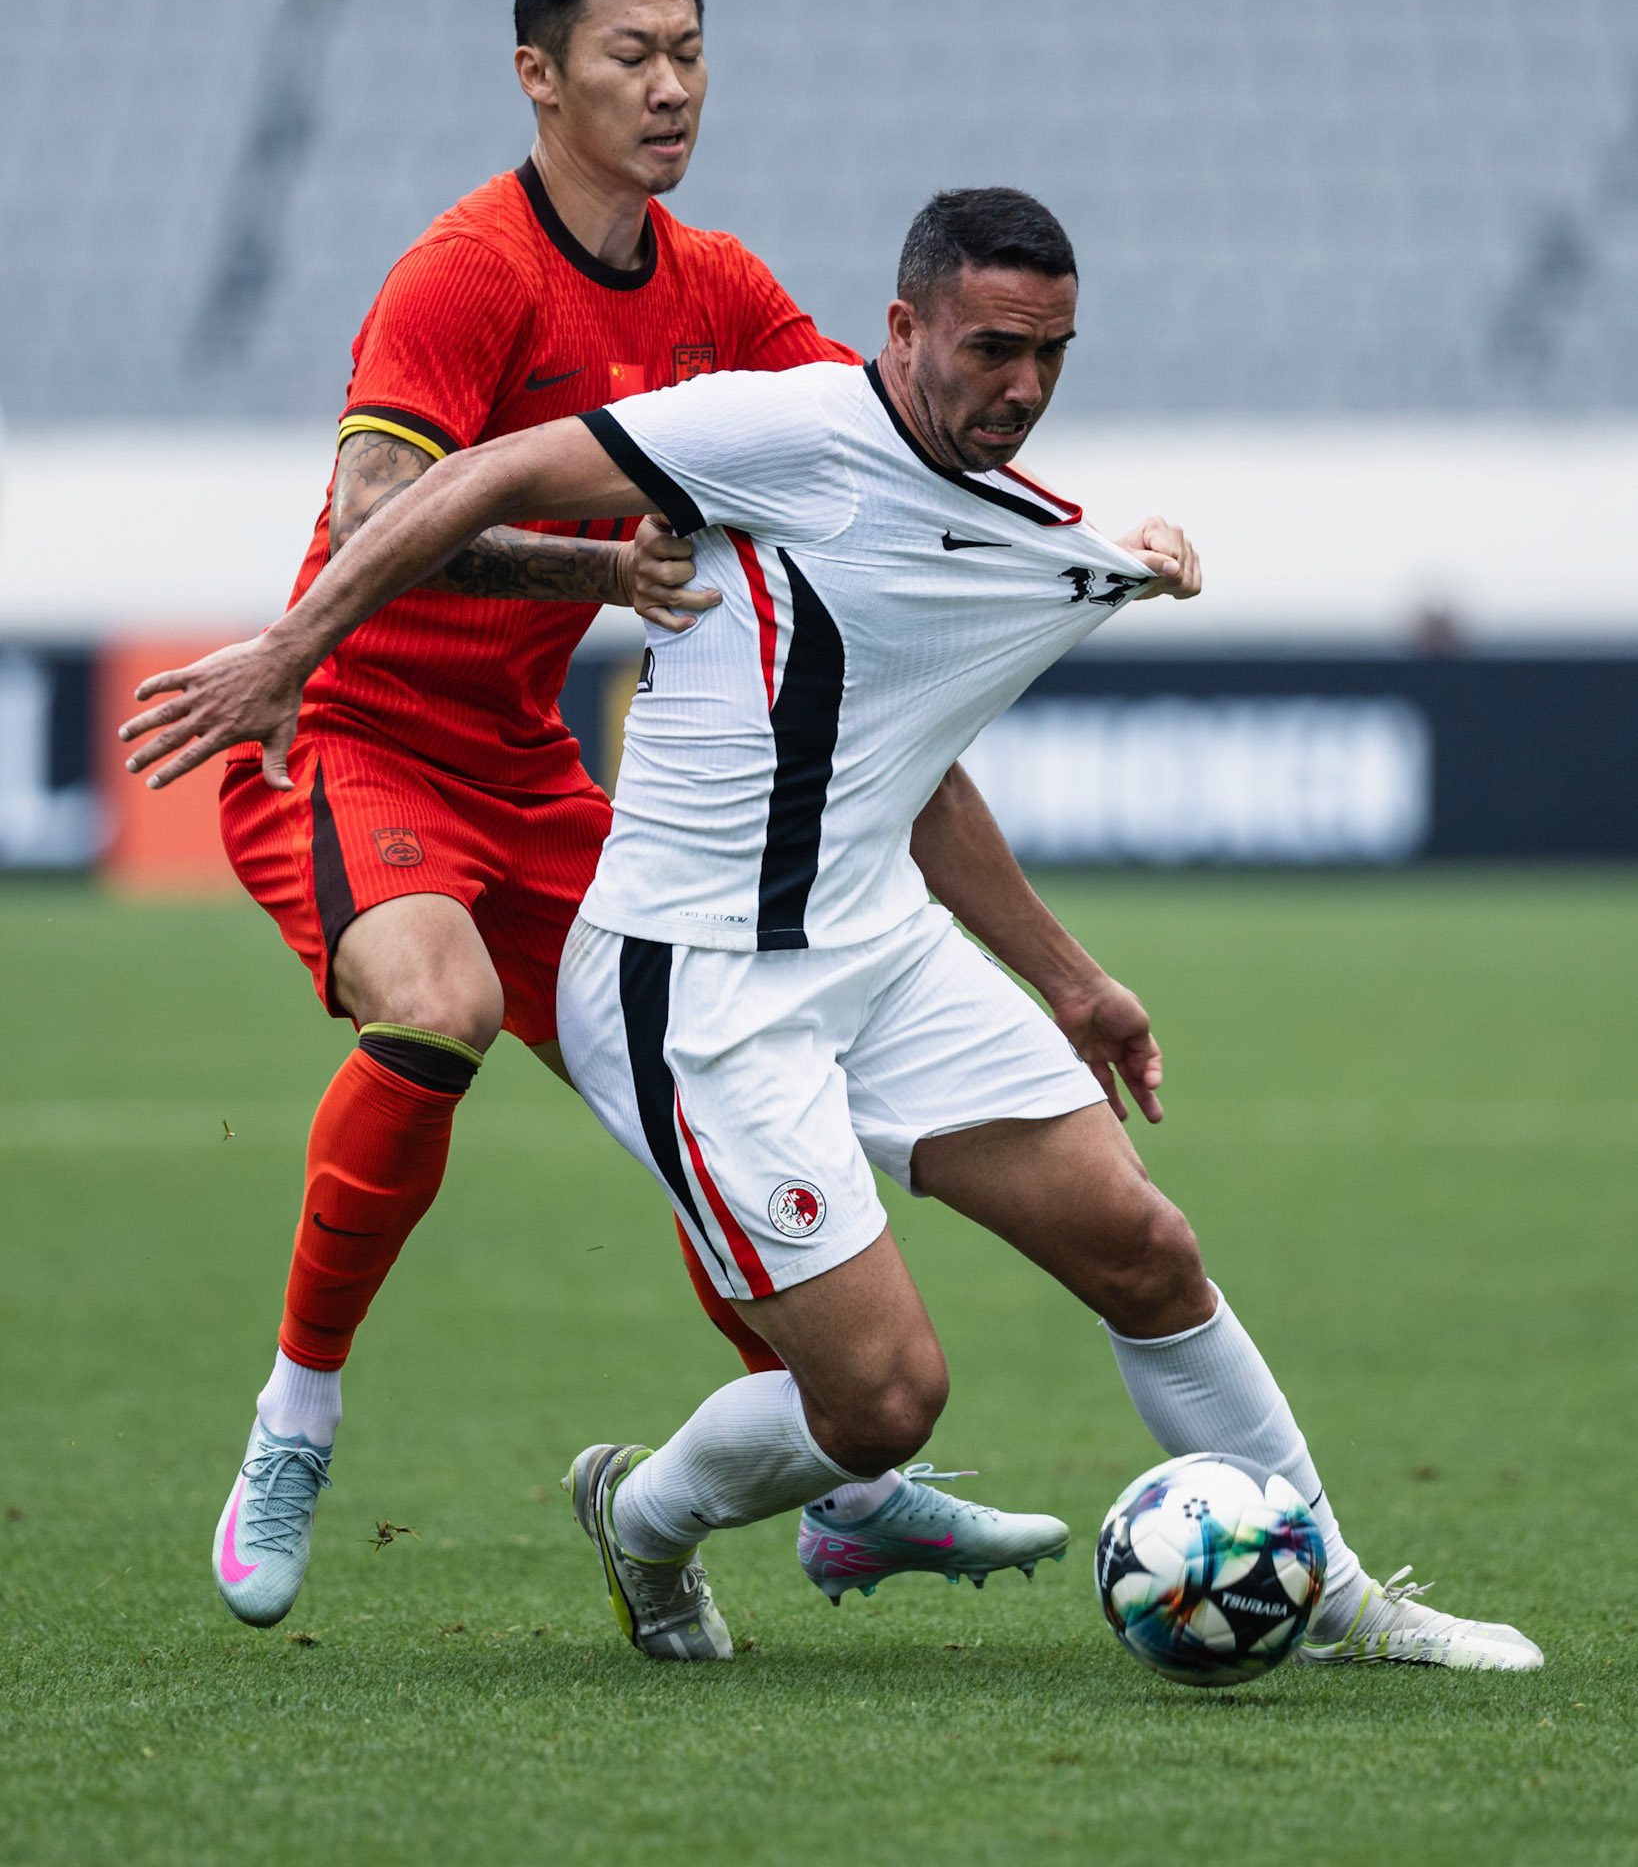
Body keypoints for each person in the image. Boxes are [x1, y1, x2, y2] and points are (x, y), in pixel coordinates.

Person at [119, 186, 1543, 1675]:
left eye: (1053, 354)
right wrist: (290, 649)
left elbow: (908, 765)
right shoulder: (780, 428)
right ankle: (645, 1516)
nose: (1024, 387)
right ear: (903, 329)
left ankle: (1326, 1594)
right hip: (697, 987)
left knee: (1144, 1251)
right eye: (993, 348)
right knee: (880, 1403)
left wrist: (1072, 981)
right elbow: (479, 474)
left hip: (883, 953)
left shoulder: (1015, 524)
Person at [126, 0, 1074, 1633]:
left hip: (528, 767)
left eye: (689, 54)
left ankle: (844, 1491)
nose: (668, 88)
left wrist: (1068, 545)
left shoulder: (713, 285)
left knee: (693, 1099)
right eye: (631, 56)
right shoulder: (465, 270)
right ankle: (295, 1417)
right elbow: (368, 518)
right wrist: (594, 573)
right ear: (538, 76)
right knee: (439, 1005)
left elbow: (872, 428)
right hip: (344, 731)